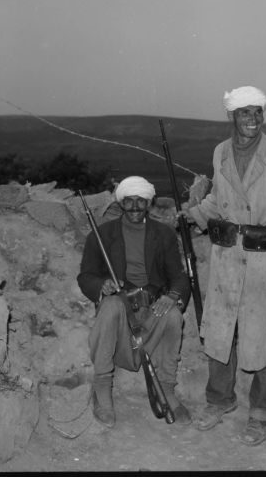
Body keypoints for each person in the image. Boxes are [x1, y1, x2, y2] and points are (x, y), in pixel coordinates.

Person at [183, 86, 266, 446]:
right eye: (244, 113)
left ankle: (260, 415)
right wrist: (194, 214)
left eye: (257, 112)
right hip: (225, 259)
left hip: (264, 259)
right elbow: (218, 200)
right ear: (232, 116)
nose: (251, 119)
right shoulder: (221, 152)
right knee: (219, 333)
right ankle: (219, 401)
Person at [77, 175, 192, 428]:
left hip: (151, 307)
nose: (135, 208)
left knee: (172, 315)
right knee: (110, 306)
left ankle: (167, 388)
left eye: (141, 202)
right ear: (121, 203)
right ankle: (102, 387)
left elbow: (179, 277)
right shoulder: (102, 234)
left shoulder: (163, 234)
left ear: (149, 203)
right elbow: (86, 276)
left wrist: (172, 296)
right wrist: (101, 286)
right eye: (129, 201)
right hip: (120, 309)